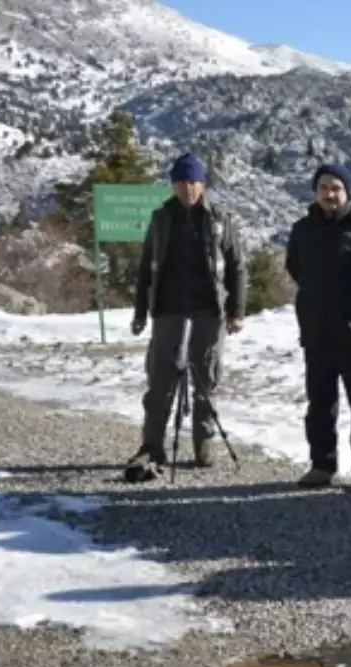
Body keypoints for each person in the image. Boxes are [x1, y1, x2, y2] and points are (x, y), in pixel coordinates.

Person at [127, 152, 246, 473]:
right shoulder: (161, 219)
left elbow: (237, 266)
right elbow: (145, 269)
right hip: (169, 308)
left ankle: (203, 444)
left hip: (210, 310)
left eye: (192, 182)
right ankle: (152, 446)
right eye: (180, 182)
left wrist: (237, 311)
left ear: (202, 184)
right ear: (172, 185)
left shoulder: (220, 220)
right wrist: (140, 312)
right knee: (160, 380)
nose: (187, 188)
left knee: (207, 379)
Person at [286, 163, 351, 491]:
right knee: (320, 403)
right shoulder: (302, 229)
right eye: (324, 187)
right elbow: (294, 267)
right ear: (315, 191)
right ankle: (322, 465)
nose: (330, 194)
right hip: (317, 331)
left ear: (347, 192)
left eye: (336, 188)